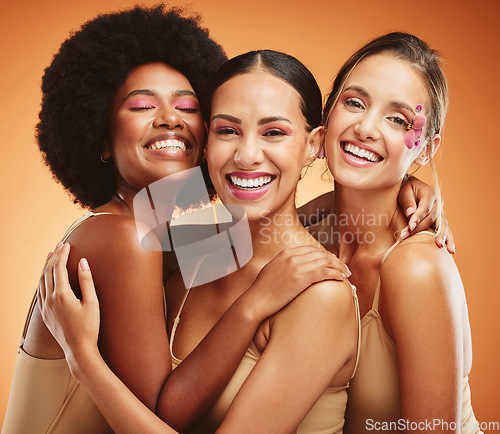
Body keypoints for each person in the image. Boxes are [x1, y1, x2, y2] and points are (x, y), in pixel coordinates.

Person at [2, 8, 350, 434]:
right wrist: (82, 358)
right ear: (98, 136)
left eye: (187, 107)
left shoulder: (175, 231)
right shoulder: (124, 238)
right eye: (143, 105)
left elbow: (268, 224)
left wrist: (395, 189)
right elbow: (165, 416)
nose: (171, 119)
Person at [309, 32, 480, 432]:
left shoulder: (418, 268)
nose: (366, 127)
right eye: (354, 103)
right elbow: (190, 249)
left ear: (424, 150)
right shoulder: (305, 237)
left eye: (398, 119)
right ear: (327, 116)